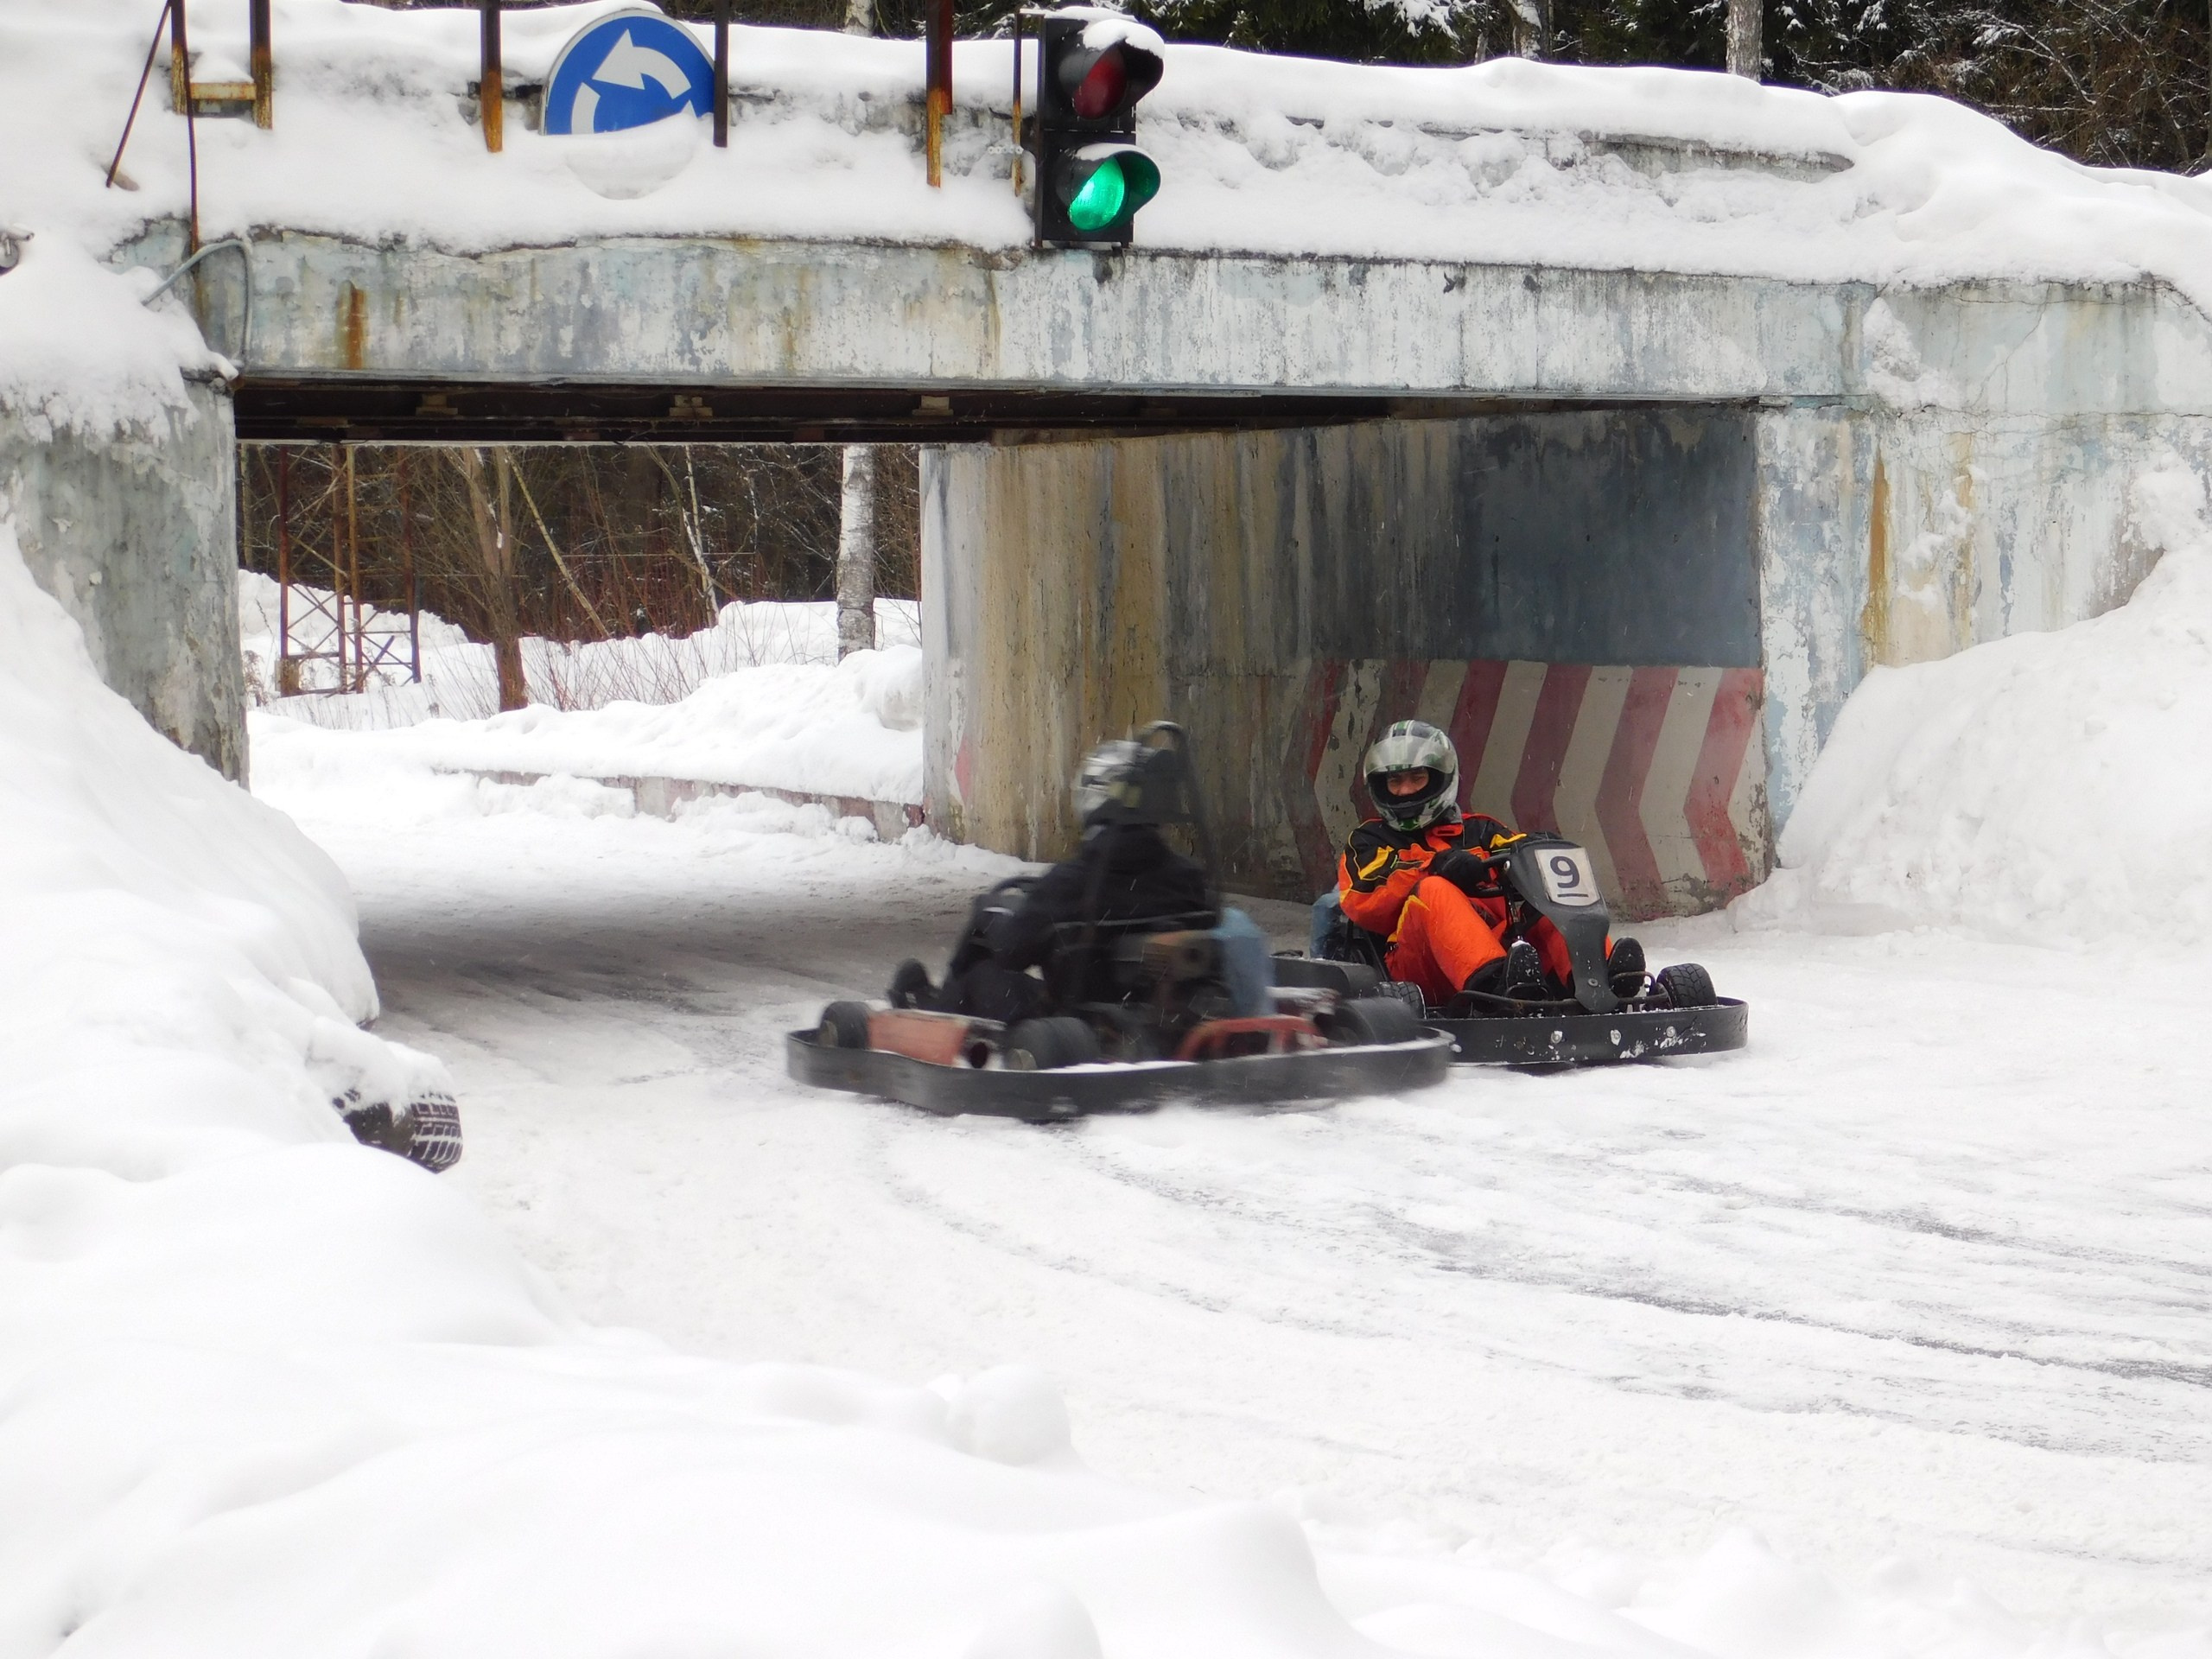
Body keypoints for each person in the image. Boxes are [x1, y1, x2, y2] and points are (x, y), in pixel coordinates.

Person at [892, 738, 1213, 1024]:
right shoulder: (1187, 877)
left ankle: (938, 1012)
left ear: (1098, 798)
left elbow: (1013, 950)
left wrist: (989, 913)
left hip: (1081, 1023)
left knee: (981, 972)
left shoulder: (1073, 883)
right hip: (1159, 1014)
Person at [1336, 719, 1643, 1007]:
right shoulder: (1368, 840)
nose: (1405, 791)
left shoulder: (1480, 830)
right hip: (1418, 963)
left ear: (1440, 779)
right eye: (1395, 781)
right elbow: (1363, 900)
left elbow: (1515, 851)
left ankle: (1598, 978)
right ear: (1381, 785)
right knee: (1433, 889)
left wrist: (1537, 848)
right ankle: (1494, 989)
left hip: (1504, 955)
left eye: (1417, 778)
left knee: (1546, 900)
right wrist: (1435, 866)